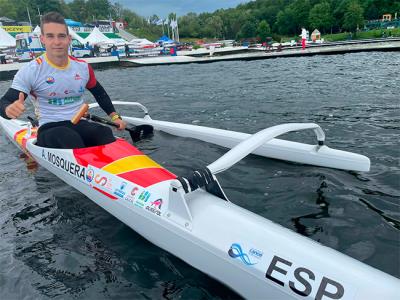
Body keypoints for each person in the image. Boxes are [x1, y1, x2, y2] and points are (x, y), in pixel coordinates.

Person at [0, 12, 126, 149]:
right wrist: (7, 109)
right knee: (68, 137)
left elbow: (100, 94)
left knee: (104, 132)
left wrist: (115, 117)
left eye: (61, 36)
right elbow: (4, 102)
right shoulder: (30, 70)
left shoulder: (83, 68)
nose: (57, 42)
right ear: (42, 39)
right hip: (49, 127)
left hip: (78, 121)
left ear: (69, 39)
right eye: (50, 36)